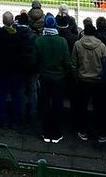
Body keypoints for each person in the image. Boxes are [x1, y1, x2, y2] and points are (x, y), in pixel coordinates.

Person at [70, 19, 106, 142]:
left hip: (83, 80)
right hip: (97, 80)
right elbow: (105, 64)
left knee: (82, 107)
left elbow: (74, 64)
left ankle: (82, 130)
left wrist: (76, 76)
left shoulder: (78, 44)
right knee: (100, 108)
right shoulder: (101, 46)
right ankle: (100, 133)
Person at [35, 15, 70, 144]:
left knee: (45, 104)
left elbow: (35, 60)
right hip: (58, 78)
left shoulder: (39, 41)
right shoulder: (62, 41)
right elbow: (67, 62)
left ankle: (46, 131)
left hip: (44, 77)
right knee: (57, 105)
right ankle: (56, 132)